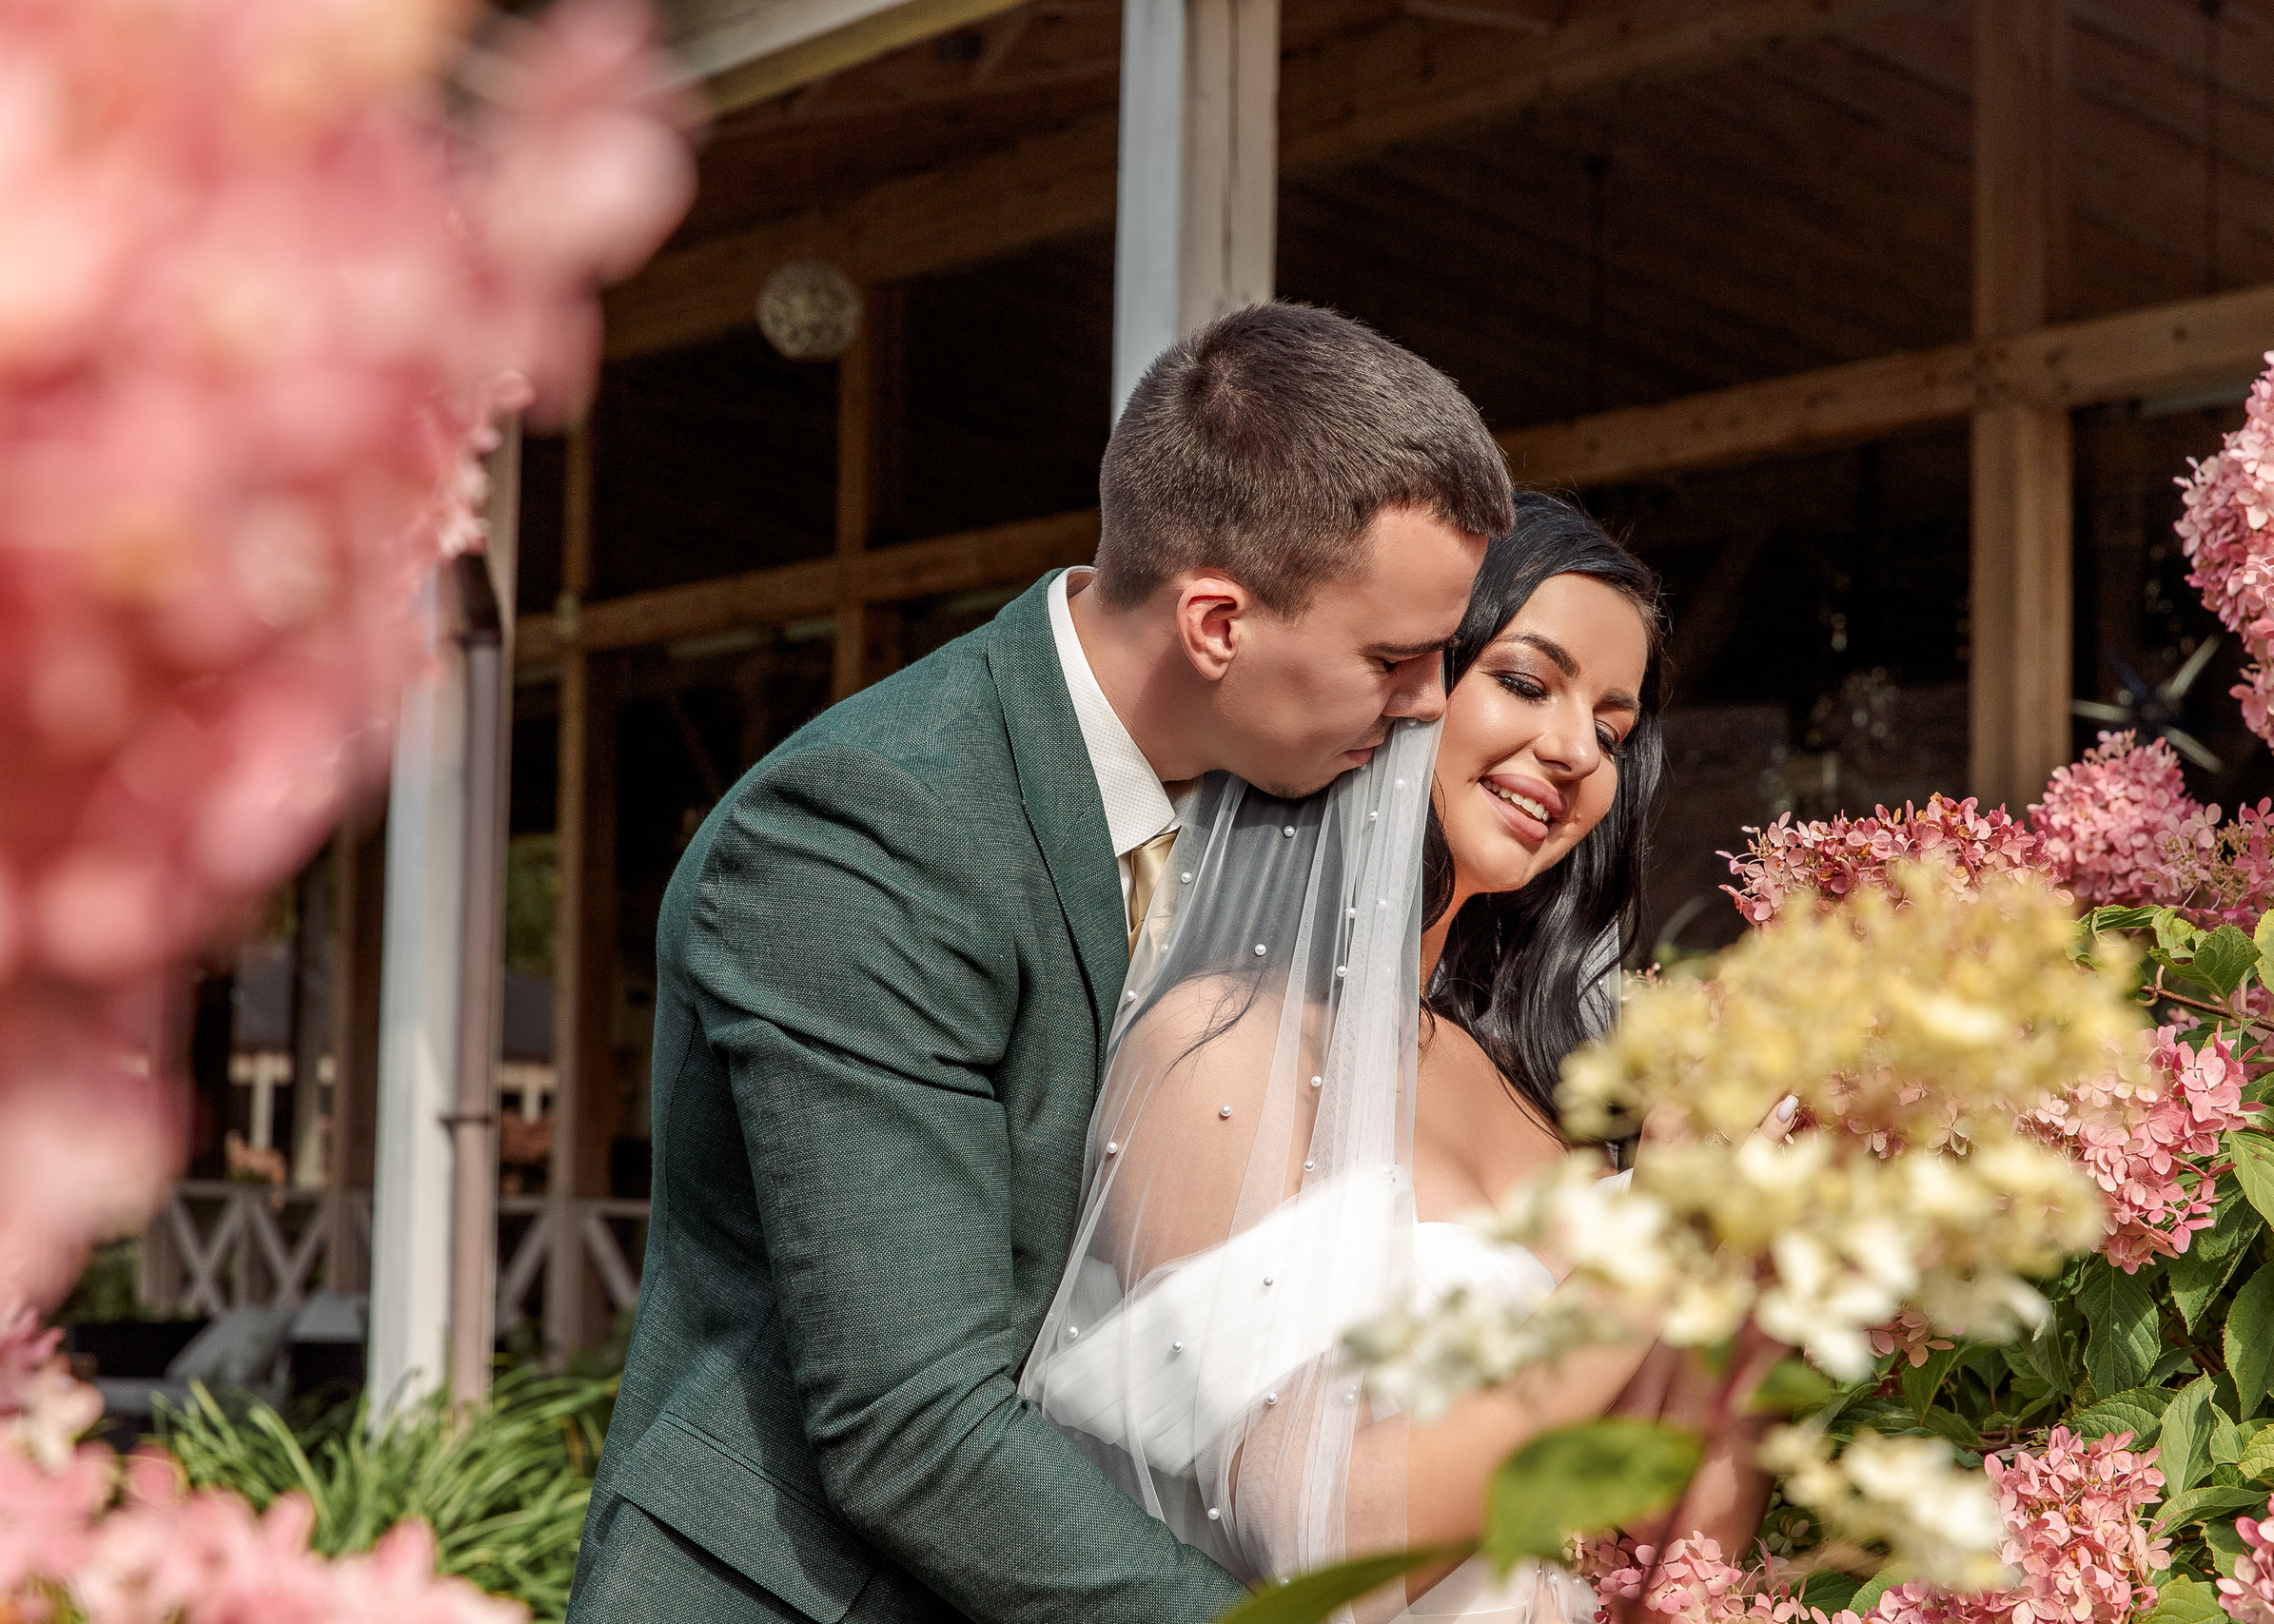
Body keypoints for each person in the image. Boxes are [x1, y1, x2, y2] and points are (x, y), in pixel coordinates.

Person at [565, 302, 1512, 1624]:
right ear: (1217, 624)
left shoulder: (1277, 802)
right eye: (1394, 657)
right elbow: (910, 1421)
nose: (1431, 699)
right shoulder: (868, 830)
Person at [1020, 494, 1768, 1622]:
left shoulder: (1544, 1090)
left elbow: (1675, 1554)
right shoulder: (1219, 1052)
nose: (1577, 751)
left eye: (1611, 732)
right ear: (1395, 685)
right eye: (1527, 682)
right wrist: (1649, 1246)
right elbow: (1319, 1545)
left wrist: (1764, 1257)